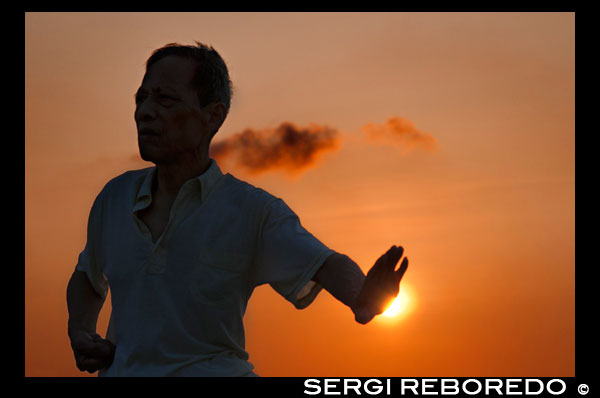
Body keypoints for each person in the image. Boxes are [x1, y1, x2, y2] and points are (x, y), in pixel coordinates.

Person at [66, 42, 410, 377]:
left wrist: (362, 299)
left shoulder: (252, 211)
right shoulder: (114, 198)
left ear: (212, 116)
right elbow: (88, 273)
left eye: (165, 99)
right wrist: (80, 330)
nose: (145, 111)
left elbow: (324, 262)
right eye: (141, 98)